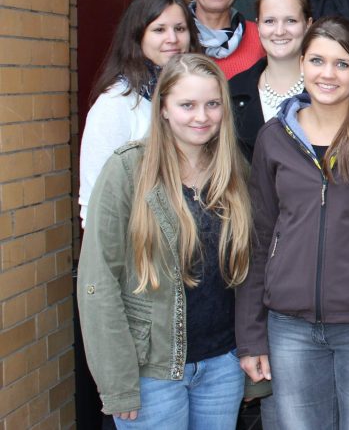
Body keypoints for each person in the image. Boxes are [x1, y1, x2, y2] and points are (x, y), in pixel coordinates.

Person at [236, 16, 349, 430]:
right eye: (317, 61)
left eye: (342, 64)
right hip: (289, 326)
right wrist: (252, 335)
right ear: (302, 65)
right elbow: (259, 237)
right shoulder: (275, 138)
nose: (328, 74)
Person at [77, 54, 253, 429]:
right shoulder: (127, 170)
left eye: (212, 104)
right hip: (151, 370)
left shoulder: (234, 171)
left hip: (223, 364)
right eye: (186, 105)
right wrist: (116, 380)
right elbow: (98, 279)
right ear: (164, 110)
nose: (201, 116)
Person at [79, 0, 199, 227]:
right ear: (137, 36)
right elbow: (96, 205)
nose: (172, 39)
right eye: (159, 30)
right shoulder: (116, 104)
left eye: (180, 29)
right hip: (140, 250)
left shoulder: (199, 98)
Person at [229, 0, 313, 161]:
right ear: (258, 26)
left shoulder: (326, 89)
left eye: (290, 20)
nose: (280, 31)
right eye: (270, 21)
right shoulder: (232, 90)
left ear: (308, 25)